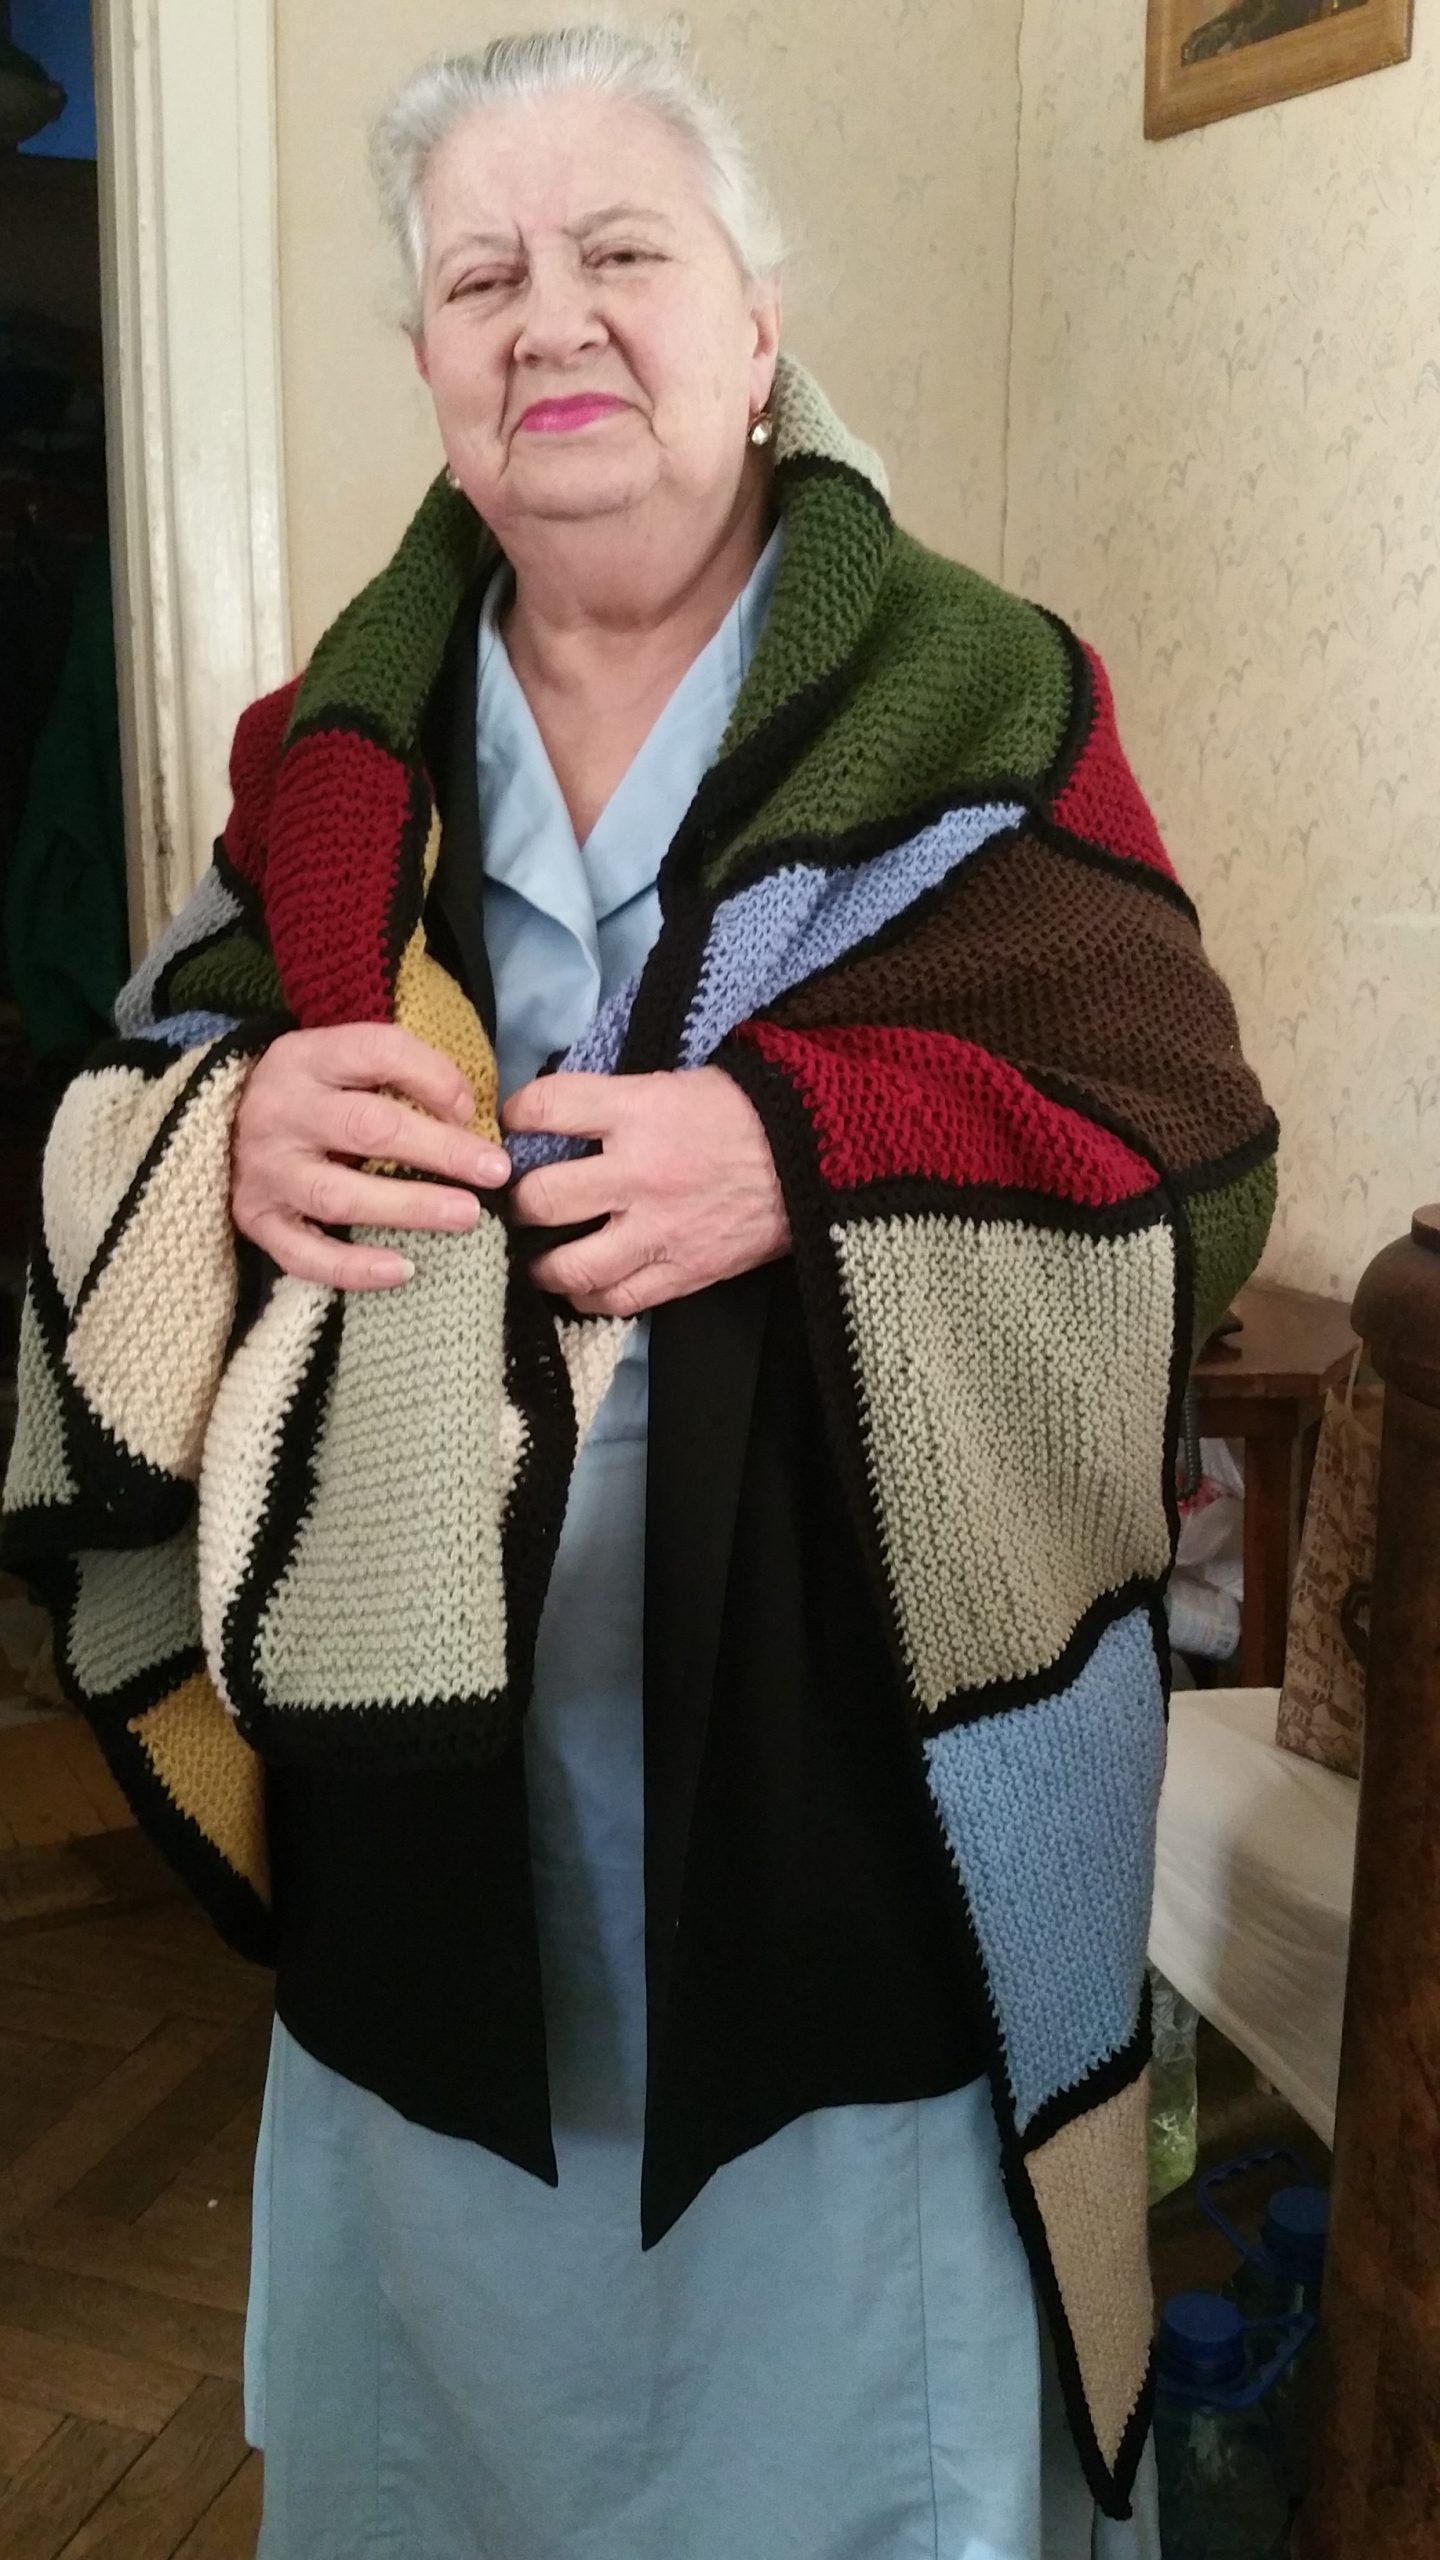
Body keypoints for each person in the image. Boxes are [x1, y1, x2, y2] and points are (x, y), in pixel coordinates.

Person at [1, 27, 1278, 2560]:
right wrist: (230, 1131)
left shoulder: (986, 692)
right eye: (481, 276)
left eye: (620, 252)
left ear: (758, 318)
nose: (551, 317)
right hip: (426, 1778)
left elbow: (1191, 1150)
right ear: (428, 367)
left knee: (863, 2437)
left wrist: (807, 1147)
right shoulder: (324, 754)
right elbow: (144, 1077)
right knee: (448, 2425)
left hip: (852, 1769)